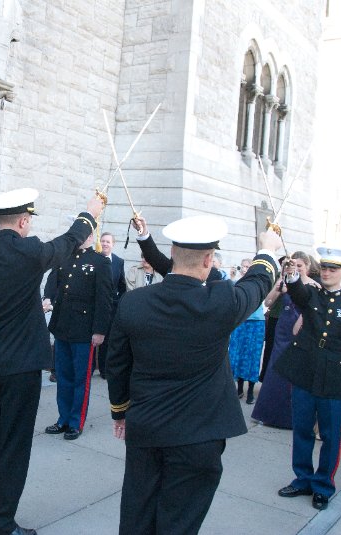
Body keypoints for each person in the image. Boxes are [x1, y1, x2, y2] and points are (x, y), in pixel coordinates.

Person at [106, 215, 281, 534]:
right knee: (179, 521)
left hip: (146, 426)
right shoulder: (222, 300)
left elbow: (116, 363)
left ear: (171, 253)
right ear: (209, 259)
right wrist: (267, 249)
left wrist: (120, 411)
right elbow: (258, 281)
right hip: (199, 434)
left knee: (137, 511)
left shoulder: (133, 303)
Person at [0, 188, 104, 535]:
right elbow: (70, 240)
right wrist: (90, 214)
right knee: (14, 447)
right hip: (22, 367)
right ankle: (2, 524)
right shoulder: (31, 252)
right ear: (23, 221)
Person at [275, 247, 341, 511]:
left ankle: (323, 485)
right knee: (302, 429)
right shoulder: (310, 294)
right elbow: (297, 291)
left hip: (334, 377)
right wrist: (291, 273)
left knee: (329, 435)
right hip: (305, 371)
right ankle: (302, 479)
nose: (327, 273)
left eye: (333, 269)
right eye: (324, 268)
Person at [43, 232, 113, 440]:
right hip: (62, 325)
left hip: (84, 330)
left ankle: (76, 422)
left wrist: (100, 330)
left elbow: (104, 298)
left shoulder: (99, 262)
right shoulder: (64, 256)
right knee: (63, 376)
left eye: (85, 234)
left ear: (92, 237)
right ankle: (63, 419)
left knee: (80, 378)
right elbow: (52, 281)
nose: (81, 238)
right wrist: (47, 297)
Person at [251, 251, 317, 429]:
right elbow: (268, 303)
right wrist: (278, 287)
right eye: (292, 265)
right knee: (276, 369)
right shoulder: (285, 282)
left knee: (294, 372)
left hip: (300, 328)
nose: (295, 268)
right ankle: (269, 414)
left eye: (300, 266)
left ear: (308, 267)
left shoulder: (313, 286)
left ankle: (292, 418)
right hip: (283, 327)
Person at [130, 216, 225, 282]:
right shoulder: (172, 268)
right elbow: (154, 256)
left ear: (172, 252)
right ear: (208, 259)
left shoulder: (215, 277)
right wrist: (142, 231)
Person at [228, 257, 264, 404]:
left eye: (248, 266)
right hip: (240, 321)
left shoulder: (258, 283)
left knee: (252, 356)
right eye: (242, 266)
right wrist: (231, 278)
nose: (244, 269)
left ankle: (250, 391)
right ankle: (239, 389)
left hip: (256, 323)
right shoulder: (237, 282)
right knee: (238, 354)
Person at [95, 232, 126, 378]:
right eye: (103, 241)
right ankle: (90, 367)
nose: (105, 244)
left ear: (113, 244)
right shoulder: (94, 259)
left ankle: (104, 370)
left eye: (108, 241)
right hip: (94, 305)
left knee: (106, 340)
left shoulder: (119, 262)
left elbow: (122, 285)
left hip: (111, 307)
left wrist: (119, 303)